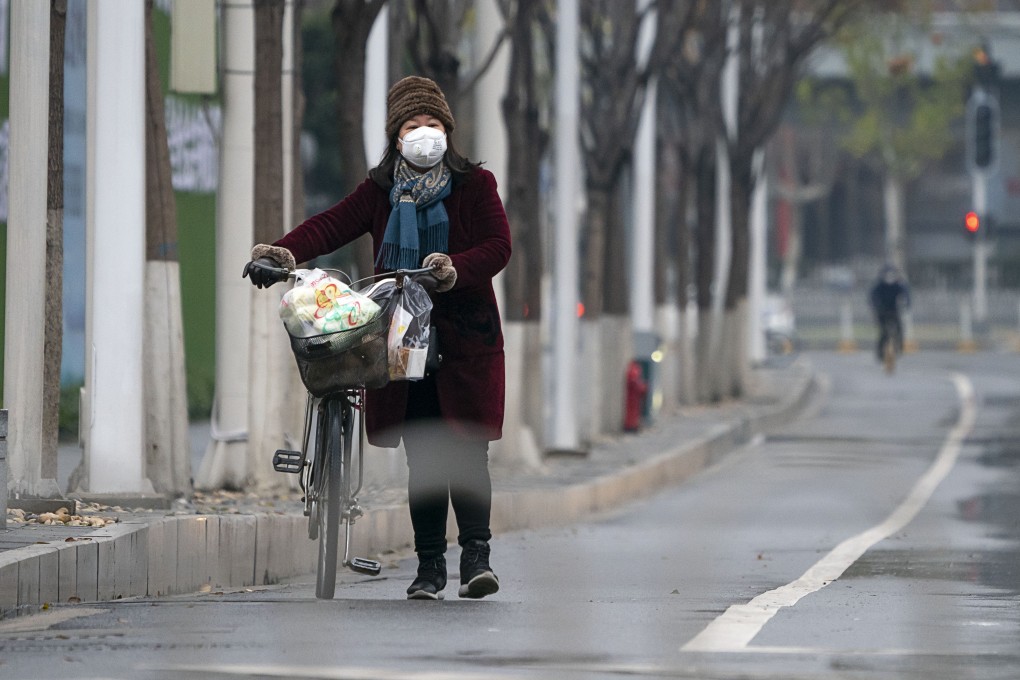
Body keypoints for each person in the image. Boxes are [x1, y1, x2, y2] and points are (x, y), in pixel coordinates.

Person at [243, 76, 511, 601]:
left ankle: (476, 559)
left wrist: (454, 268)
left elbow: (499, 246)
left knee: (466, 451)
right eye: (413, 125)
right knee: (424, 454)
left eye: (433, 124)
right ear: (396, 136)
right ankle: (430, 568)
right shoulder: (379, 192)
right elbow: (329, 226)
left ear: (447, 131)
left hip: (466, 342)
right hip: (401, 339)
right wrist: (281, 252)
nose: (424, 134)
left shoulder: (476, 185)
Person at [869, 264, 911, 361]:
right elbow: (872, 296)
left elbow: (906, 294)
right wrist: (875, 306)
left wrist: (907, 304)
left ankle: (899, 347)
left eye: (891, 275)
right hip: (882, 310)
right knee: (883, 332)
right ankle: (880, 352)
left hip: (894, 310)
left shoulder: (898, 285)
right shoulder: (879, 286)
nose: (889, 278)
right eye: (887, 275)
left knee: (899, 328)